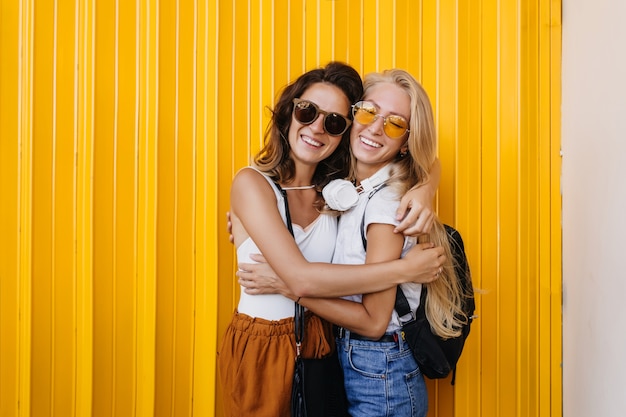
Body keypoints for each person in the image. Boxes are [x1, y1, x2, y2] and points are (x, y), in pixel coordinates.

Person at [218, 62, 446, 417]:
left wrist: (425, 189)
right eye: (307, 112)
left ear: (344, 131)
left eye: (335, 122)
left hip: (325, 341)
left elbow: (427, 158)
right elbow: (301, 279)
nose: (317, 128)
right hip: (264, 344)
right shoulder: (253, 184)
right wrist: (403, 269)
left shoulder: (337, 191)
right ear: (287, 112)